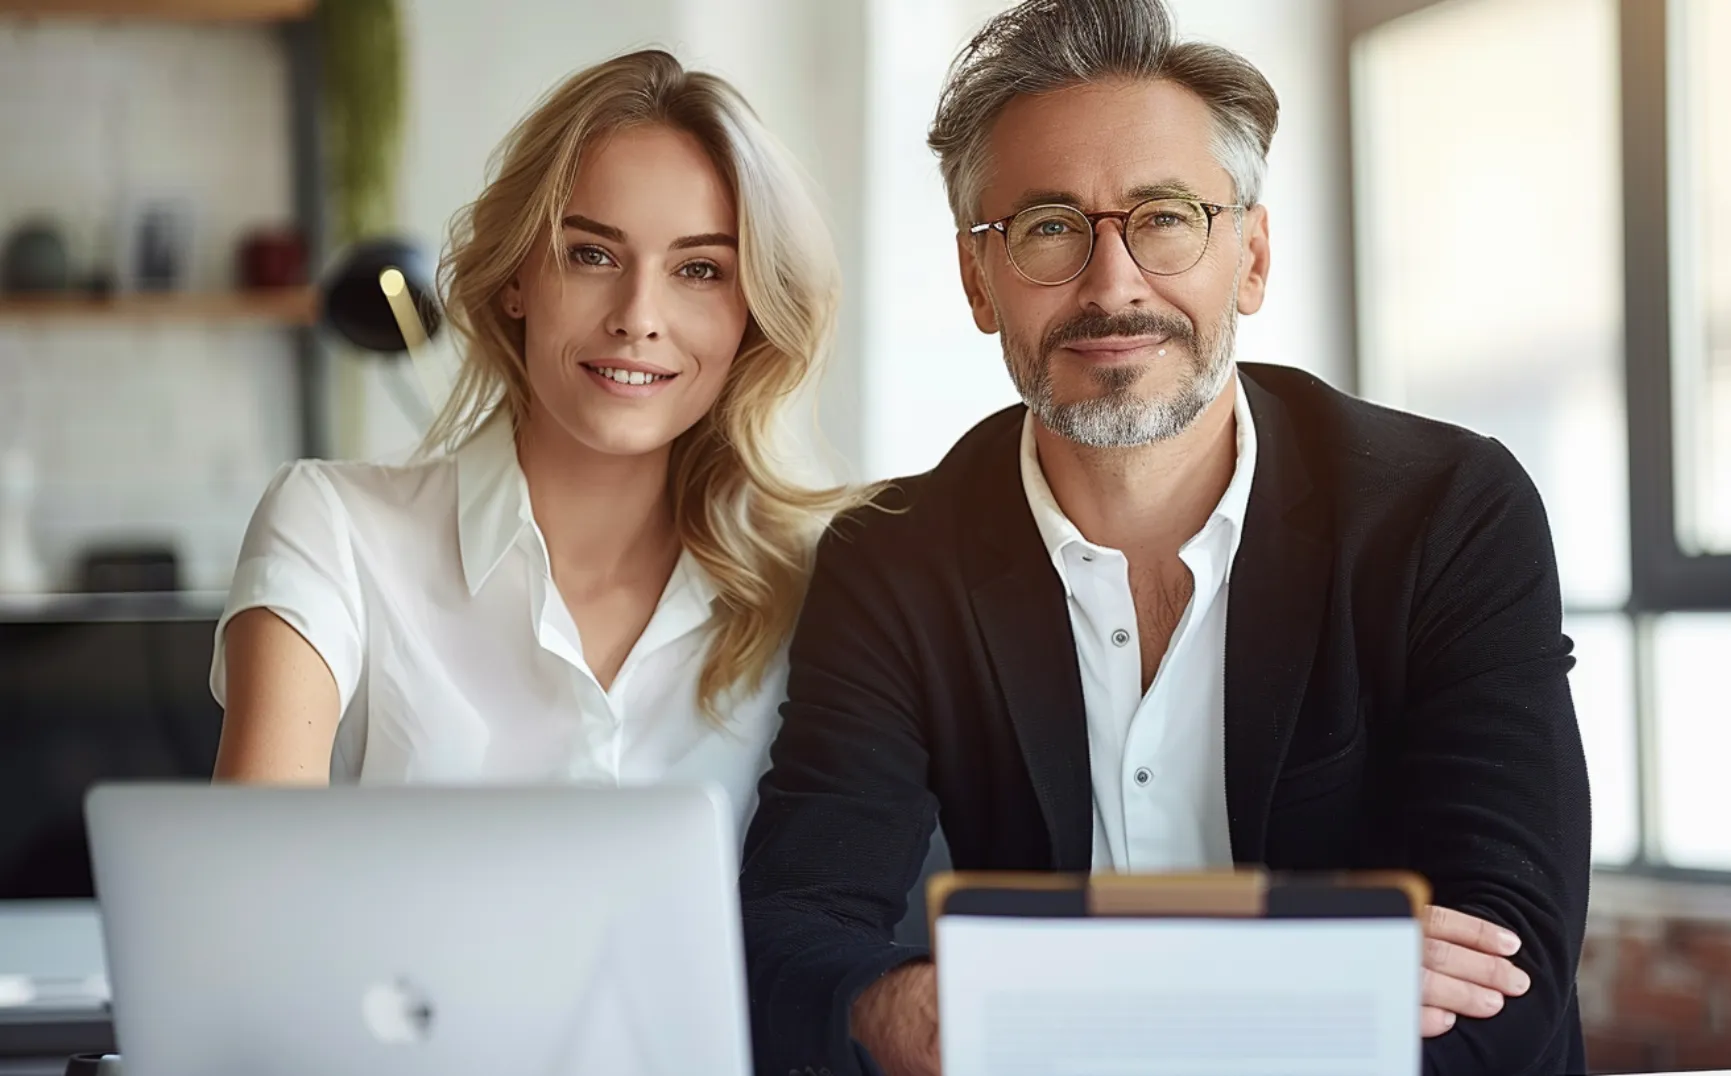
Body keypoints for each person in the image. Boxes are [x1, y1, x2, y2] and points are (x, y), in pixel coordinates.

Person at [738, 1, 1591, 1073]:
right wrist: (1312, 979)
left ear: (1251, 255)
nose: (1112, 283)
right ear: (976, 279)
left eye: (1167, 215)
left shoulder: (1448, 512)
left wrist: (1058, 1008)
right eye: (1048, 226)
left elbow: (1505, 971)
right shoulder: (893, 557)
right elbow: (793, 937)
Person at [209, 49, 862, 836]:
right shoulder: (334, 529)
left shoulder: (820, 587)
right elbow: (247, 897)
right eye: (591, 254)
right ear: (517, 277)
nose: (637, 315)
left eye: (699, 270)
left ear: (751, 311)